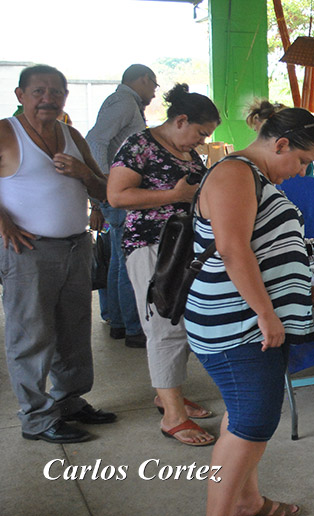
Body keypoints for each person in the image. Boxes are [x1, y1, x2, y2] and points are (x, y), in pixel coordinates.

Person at [184, 108, 314, 516]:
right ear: (281, 144)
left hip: (245, 318)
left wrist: (298, 284)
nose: (302, 172)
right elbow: (233, 249)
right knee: (252, 424)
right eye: (302, 161)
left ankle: (248, 502)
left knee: (243, 415)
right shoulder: (235, 173)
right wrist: (266, 313)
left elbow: (262, 246)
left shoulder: (253, 175)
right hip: (238, 325)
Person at [0, 64, 115, 444]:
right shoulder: (6, 132)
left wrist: (83, 172)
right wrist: (4, 224)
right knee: (31, 335)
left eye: (56, 91)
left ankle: (69, 401)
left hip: (75, 246)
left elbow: (103, 189)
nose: (48, 98)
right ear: (21, 95)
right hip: (28, 251)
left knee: (74, 330)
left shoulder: (71, 135)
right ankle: (36, 418)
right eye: (39, 91)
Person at [107, 84, 219, 446]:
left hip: (185, 247)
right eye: (200, 132)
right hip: (151, 246)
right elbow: (117, 196)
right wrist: (174, 195)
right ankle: (172, 417)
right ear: (181, 120)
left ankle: (168, 395)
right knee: (163, 325)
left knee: (183, 321)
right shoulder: (139, 145)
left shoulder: (185, 152)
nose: (202, 141)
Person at [86, 64, 158, 348]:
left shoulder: (123, 102)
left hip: (119, 192)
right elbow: (95, 140)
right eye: (153, 86)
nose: (154, 93)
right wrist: (105, 181)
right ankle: (133, 326)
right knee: (131, 260)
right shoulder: (124, 102)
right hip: (122, 193)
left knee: (119, 259)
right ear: (144, 79)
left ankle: (119, 321)